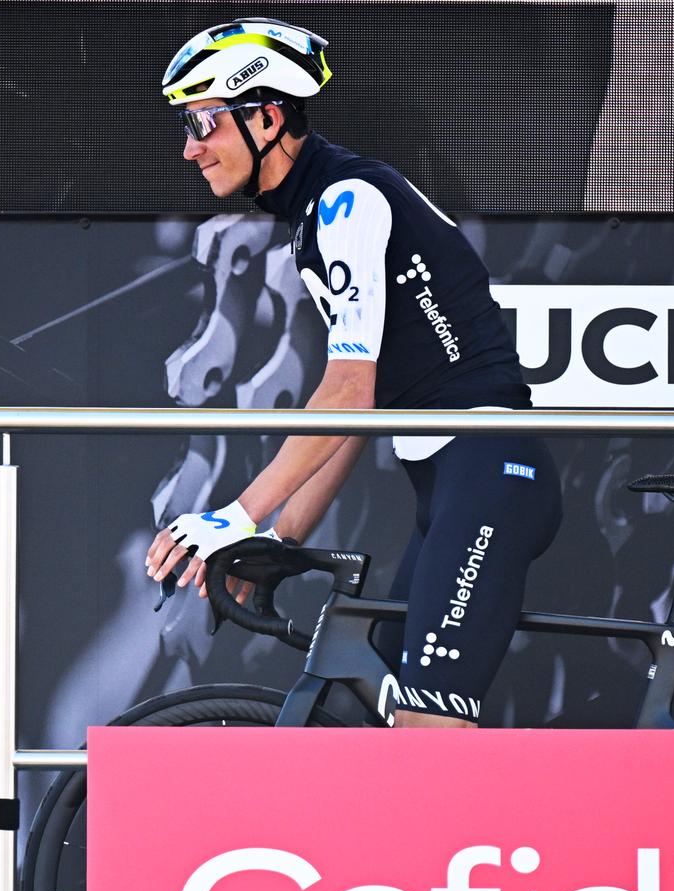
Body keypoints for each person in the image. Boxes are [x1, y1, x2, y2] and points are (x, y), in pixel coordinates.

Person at [144, 18, 562, 728]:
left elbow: (347, 395)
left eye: (204, 121)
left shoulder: (346, 199)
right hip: (455, 482)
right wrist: (278, 540)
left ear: (268, 117)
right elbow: (353, 419)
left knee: (432, 731)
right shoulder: (316, 214)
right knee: (385, 723)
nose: (190, 148)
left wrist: (235, 516)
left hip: (489, 474)